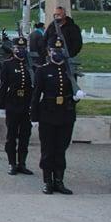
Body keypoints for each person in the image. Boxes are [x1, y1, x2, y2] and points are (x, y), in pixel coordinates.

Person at [30, 38, 85, 194]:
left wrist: (77, 97)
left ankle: (59, 181)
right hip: (47, 115)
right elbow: (36, 95)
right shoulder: (43, 70)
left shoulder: (69, 71)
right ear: (49, 52)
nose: (57, 54)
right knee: (48, 150)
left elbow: (74, 91)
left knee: (61, 149)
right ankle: (48, 181)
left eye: (60, 51)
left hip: (66, 116)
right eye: (54, 51)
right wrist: (34, 117)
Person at [0, 37, 34, 176]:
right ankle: (12, 163)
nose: (20, 51)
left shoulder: (30, 65)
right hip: (12, 104)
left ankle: (22, 163)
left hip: (26, 105)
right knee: (11, 136)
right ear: (13, 49)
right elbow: (4, 87)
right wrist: (1, 106)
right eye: (18, 49)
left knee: (25, 135)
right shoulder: (7, 65)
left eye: (23, 49)